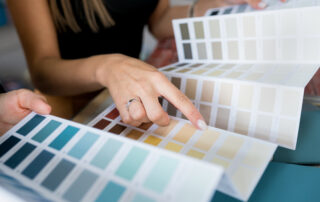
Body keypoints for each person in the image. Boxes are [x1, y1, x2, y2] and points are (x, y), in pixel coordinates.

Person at [7, 0, 284, 130]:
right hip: (69, 101)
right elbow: (43, 71)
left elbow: (158, 19)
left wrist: (207, 7)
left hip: (131, 87)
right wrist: (108, 67)